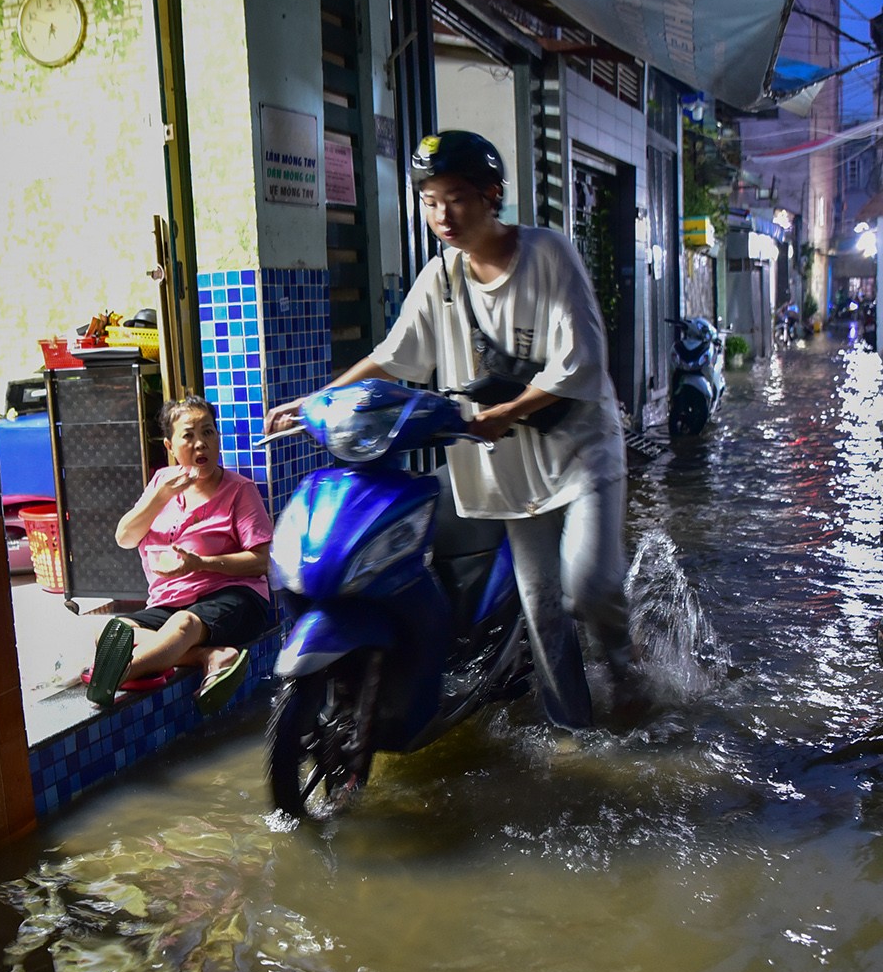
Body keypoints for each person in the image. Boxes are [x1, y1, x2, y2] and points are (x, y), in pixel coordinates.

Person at [267, 130, 634, 730]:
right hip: (508, 471)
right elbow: (394, 356)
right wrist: (317, 398)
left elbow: (582, 361)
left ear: (493, 195)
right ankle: (576, 729)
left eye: (457, 198)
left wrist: (503, 414)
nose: (443, 215)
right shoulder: (440, 279)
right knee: (543, 610)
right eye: (431, 200)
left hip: (579, 452)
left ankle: (626, 674)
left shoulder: (549, 255)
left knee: (587, 587)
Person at [86, 396, 273, 715]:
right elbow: (126, 537)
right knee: (110, 630)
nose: (201, 443)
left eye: (208, 432)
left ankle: (115, 677)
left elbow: (262, 560)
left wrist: (201, 564)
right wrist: (159, 497)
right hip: (169, 602)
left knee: (183, 624)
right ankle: (209, 656)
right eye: (188, 435)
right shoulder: (161, 482)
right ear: (170, 445)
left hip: (233, 598)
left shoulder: (239, 490)